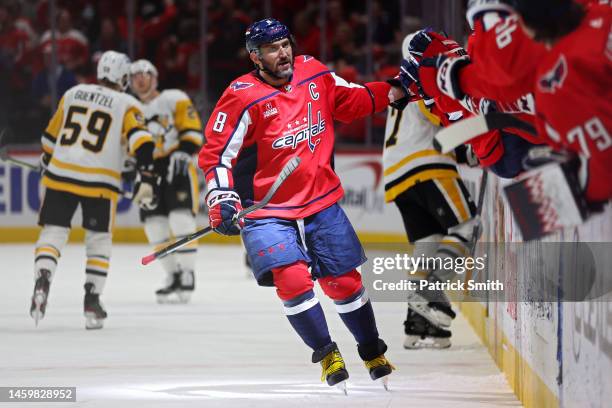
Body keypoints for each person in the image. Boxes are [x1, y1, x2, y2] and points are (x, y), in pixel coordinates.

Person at [199, 18, 403, 389]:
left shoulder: (314, 73)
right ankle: (327, 354)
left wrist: (395, 90)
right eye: (273, 48)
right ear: (255, 56)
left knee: (343, 281)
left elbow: (353, 100)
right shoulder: (241, 94)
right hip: (265, 208)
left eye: (285, 44)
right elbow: (215, 155)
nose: (283, 52)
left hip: (319, 199)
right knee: (292, 280)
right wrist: (221, 198)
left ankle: (372, 349)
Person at [30, 50, 157, 329]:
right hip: (100, 182)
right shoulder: (126, 103)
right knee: (98, 240)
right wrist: (146, 177)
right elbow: (143, 142)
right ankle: (92, 300)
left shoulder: (74, 93)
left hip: (60, 175)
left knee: (53, 232)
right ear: (122, 77)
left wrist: (47, 160)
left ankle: (43, 278)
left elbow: (49, 139)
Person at [129, 59, 204, 303]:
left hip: (175, 165)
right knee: (154, 226)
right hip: (148, 172)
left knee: (180, 219)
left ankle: (188, 274)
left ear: (155, 77)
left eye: (145, 74)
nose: (140, 79)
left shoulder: (174, 98)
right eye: (135, 76)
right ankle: (173, 275)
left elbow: (192, 129)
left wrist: (185, 150)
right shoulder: (128, 108)